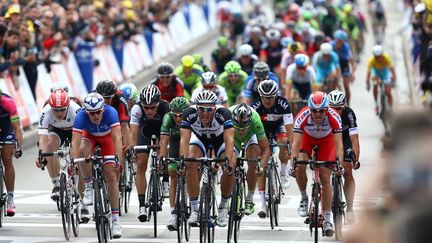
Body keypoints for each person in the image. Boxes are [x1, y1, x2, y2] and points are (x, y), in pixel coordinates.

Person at [180, 90, 236, 228]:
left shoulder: (224, 114)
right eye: (201, 109)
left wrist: (228, 160)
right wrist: (183, 160)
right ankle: (194, 209)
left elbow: (229, 139)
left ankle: (223, 207)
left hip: (219, 140)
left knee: (230, 167)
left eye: (209, 110)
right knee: (190, 162)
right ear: (197, 107)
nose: (205, 113)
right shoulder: (189, 113)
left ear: (215, 108)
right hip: (199, 139)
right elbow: (184, 139)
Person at [290, 91, 343, 237]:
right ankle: (304, 197)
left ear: (327, 109)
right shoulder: (302, 116)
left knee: (325, 177)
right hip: (307, 140)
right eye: (314, 111)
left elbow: (339, 145)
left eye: (321, 111)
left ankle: (327, 219)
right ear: (309, 109)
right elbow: (295, 144)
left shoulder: (334, 117)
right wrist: (293, 162)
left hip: (327, 142)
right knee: (300, 166)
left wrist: (339, 163)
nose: (318, 114)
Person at [70, 92, 123, 238]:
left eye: (98, 112)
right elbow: (75, 141)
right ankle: (88, 187)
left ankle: (115, 220)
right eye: (91, 113)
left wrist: (118, 159)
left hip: (108, 140)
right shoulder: (81, 116)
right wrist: (73, 161)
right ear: (86, 112)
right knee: (82, 150)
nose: (95, 116)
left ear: (103, 109)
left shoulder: (111, 112)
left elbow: (117, 138)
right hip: (90, 137)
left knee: (111, 175)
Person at [130, 84, 170, 222]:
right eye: (146, 107)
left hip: (161, 132)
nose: (149, 110)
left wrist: (163, 151)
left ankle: (165, 180)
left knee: (166, 151)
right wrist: (132, 149)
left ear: (158, 103)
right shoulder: (137, 108)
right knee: (141, 165)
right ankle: (142, 205)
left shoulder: (166, 107)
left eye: (153, 107)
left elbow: (167, 133)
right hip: (144, 132)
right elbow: (133, 132)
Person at [37, 89, 81, 202]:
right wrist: (41, 155)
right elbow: (42, 138)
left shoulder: (76, 110)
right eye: (55, 110)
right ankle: (56, 184)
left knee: (77, 151)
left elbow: (83, 136)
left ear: (68, 106)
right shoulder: (45, 111)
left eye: (62, 110)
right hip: (56, 130)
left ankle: (76, 185)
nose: (59, 113)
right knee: (49, 145)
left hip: (74, 130)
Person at [229, 103, 270, 217]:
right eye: (238, 128)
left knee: (253, 159)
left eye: (244, 128)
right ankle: (228, 194)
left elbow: (266, 149)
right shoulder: (226, 117)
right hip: (232, 137)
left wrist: (260, 166)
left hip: (250, 136)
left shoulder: (255, 120)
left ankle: (249, 199)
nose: (241, 130)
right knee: (230, 161)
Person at [251, 80, 293, 190]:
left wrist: (290, 146)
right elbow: (250, 129)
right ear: (260, 96)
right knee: (261, 153)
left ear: (276, 95)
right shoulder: (255, 106)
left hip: (278, 126)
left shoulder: (283, 103)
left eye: (270, 97)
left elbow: (289, 126)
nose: (267, 100)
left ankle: (283, 173)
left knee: (283, 142)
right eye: (264, 97)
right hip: (262, 128)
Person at [328, 90, 360, 224]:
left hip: (345, 138)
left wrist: (356, 159)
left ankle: (350, 209)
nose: (335, 111)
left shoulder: (349, 113)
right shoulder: (322, 113)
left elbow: (354, 139)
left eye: (339, 109)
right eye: (332, 108)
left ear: (344, 106)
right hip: (329, 139)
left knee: (347, 169)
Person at [159, 97, 190, 231]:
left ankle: (192, 200)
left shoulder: (191, 116)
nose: (178, 118)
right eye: (175, 115)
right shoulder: (168, 118)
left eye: (181, 115)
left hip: (190, 140)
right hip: (175, 141)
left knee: (192, 169)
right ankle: (173, 213)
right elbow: (164, 141)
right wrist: (162, 158)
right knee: (173, 176)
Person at [0, 88, 23, 217]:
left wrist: (18, 147)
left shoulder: (8, 102)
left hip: (7, 127)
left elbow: (17, 128)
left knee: (7, 159)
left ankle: (10, 198)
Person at [95, 79, 131, 151]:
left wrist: (127, 146)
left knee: (121, 148)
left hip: (117, 121)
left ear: (114, 96)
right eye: (102, 98)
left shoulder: (120, 100)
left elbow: (124, 125)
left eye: (108, 98)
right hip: (100, 121)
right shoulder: (93, 98)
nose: (104, 100)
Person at [366, 45, 396, 114]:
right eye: (376, 57)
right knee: (375, 84)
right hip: (375, 72)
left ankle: (391, 107)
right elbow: (368, 73)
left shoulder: (387, 57)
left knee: (388, 92)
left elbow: (392, 69)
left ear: (382, 54)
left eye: (380, 56)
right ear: (374, 56)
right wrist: (367, 82)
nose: (379, 58)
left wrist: (394, 79)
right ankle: (376, 104)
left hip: (385, 72)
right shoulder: (371, 60)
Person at [331, 30, 356, 105]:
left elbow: (352, 61)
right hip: (334, 65)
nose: (339, 43)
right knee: (333, 83)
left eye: (341, 42)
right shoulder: (331, 45)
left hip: (344, 64)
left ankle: (348, 105)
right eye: (338, 41)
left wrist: (352, 73)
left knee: (346, 86)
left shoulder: (346, 47)